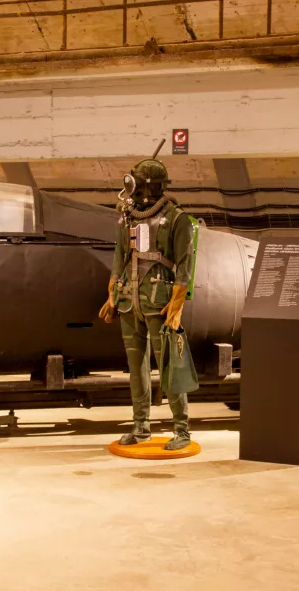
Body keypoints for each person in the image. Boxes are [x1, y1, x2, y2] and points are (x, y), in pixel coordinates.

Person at [98, 158, 194, 451]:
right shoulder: (128, 218)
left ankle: (182, 430)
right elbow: (120, 257)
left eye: (138, 182)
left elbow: (185, 266)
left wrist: (177, 305)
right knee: (136, 369)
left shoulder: (177, 219)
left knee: (169, 367)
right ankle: (140, 427)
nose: (133, 187)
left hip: (159, 304)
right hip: (129, 301)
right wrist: (112, 294)